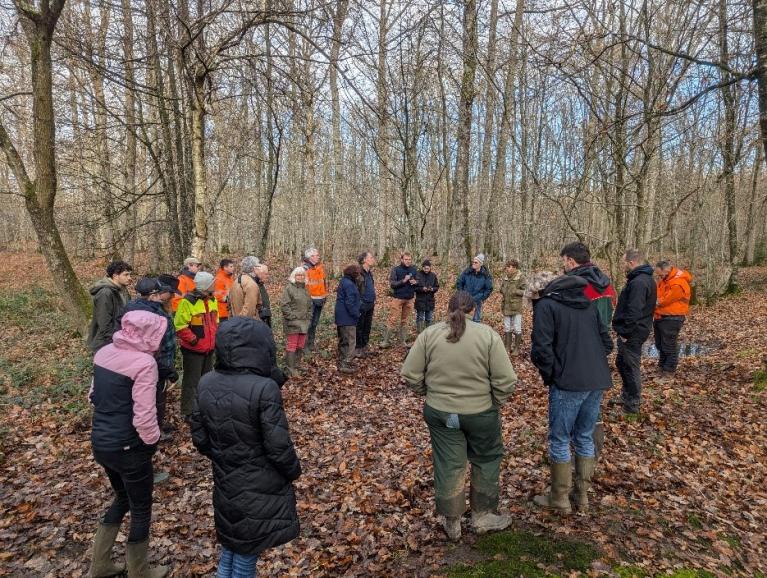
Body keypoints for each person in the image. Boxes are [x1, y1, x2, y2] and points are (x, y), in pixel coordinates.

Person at [401, 291, 517, 540]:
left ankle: (452, 520)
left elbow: (410, 374)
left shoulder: (429, 334)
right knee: (486, 459)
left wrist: (430, 394)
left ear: (448, 308)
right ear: (473, 309)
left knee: (448, 463)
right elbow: (506, 380)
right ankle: (483, 516)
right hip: (480, 413)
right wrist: (495, 401)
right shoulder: (487, 335)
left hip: (441, 414)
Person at [191, 317, 301, 578]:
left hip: (225, 478)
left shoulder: (206, 381)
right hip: (258, 483)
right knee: (245, 553)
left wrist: (223, 455)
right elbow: (278, 446)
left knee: (233, 543)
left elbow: (199, 436)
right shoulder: (264, 388)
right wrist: (293, 471)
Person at [87, 310, 169, 578]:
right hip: (129, 446)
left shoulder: (103, 353)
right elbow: (145, 414)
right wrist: (150, 443)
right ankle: (139, 571)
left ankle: (99, 564)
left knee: (122, 497)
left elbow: (93, 395)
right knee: (141, 507)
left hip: (101, 442)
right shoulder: (144, 363)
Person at [530, 274, 613, 514]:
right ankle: (581, 496)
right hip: (596, 379)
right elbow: (606, 342)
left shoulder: (546, 306)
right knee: (584, 436)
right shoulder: (588, 304)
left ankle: (560, 498)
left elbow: (541, 348)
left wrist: (553, 374)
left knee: (560, 438)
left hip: (569, 382)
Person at [560, 242, 617, 458]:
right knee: (594, 397)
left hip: (579, 348)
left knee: (577, 399)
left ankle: (582, 451)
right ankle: (592, 447)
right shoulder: (606, 283)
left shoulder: (577, 286)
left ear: (571, 261)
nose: (563, 265)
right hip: (600, 347)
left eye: (564, 261)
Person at [119, 278, 178, 441]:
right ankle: (155, 431)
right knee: (155, 396)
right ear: (152, 295)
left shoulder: (135, 308)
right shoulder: (152, 313)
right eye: (158, 293)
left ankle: (153, 425)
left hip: (150, 361)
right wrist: (166, 367)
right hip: (156, 362)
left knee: (152, 395)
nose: (161, 295)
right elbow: (159, 343)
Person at [612, 249, 657, 414]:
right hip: (633, 329)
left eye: (624, 262)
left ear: (631, 262)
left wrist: (625, 332)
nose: (623, 266)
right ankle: (626, 396)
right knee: (622, 363)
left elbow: (634, 311)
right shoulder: (640, 279)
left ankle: (633, 404)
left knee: (630, 366)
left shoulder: (639, 282)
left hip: (633, 332)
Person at [174, 271, 219, 421]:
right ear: (205, 286)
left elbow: (215, 322)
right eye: (212, 284)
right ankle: (188, 412)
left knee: (206, 381)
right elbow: (180, 325)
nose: (215, 286)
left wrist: (216, 338)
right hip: (193, 350)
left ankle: (203, 408)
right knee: (191, 382)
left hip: (209, 348)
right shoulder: (187, 302)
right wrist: (193, 340)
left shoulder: (212, 300)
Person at [654, 261, 693, 375]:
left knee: (668, 345)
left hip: (672, 317)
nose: (659, 277)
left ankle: (669, 371)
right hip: (661, 316)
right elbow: (657, 295)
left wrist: (651, 302)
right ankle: (662, 366)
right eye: (658, 275)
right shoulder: (664, 280)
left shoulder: (678, 283)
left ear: (666, 270)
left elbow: (664, 300)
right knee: (660, 344)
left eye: (660, 274)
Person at [86, 260, 132, 353]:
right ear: (115, 276)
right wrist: (118, 340)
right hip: (105, 344)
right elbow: (104, 324)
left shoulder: (123, 290)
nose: (129, 278)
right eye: (126, 275)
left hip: (119, 339)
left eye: (129, 275)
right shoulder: (105, 293)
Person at [280, 267, 313, 376]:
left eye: (302, 275)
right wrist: (292, 317)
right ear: (294, 276)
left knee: (300, 345)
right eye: (298, 275)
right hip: (292, 322)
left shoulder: (305, 289)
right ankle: (290, 368)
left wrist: (308, 317)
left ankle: (297, 364)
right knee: (292, 345)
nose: (301, 277)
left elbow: (309, 306)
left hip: (304, 322)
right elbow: (284, 305)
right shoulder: (289, 288)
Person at [381, 251, 418, 348]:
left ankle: (403, 342)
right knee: (392, 319)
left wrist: (415, 282)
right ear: (402, 259)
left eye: (409, 259)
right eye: (406, 259)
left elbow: (418, 281)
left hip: (409, 299)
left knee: (405, 320)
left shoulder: (414, 269)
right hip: (398, 298)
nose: (408, 261)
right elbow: (392, 284)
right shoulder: (396, 269)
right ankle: (386, 341)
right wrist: (403, 281)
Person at [335, 264, 362, 374]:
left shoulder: (344, 281)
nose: (359, 275)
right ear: (354, 274)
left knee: (343, 339)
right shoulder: (349, 284)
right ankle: (346, 362)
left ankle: (343, 360)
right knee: (351, 340)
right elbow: (350, 302)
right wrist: (356, 313)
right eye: (358, 273)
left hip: (341, 316)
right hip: (347, 317)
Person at [302, 247, 329, 351]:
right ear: (311, 257)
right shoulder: (304, 269)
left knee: (314, 323)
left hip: (320, 299)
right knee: (308, 323)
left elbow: (324, 282)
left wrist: (325, 295)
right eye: (317, 255)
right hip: (309, 301)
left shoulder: (320, 267)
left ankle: (311, 344)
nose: (318, 256)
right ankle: (304, 346)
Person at [499, 259, 525, 355]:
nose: (507, 268)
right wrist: (503, 290)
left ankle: (517, 348)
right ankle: (507, 346)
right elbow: (501, 288)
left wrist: (515, 291)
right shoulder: (505, 277)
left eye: (509, 267)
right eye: (507, 266)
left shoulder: (521, 277)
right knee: (507, 327)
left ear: (514, 268)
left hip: (516, 307)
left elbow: (525, 291)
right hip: (506, 305)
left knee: (517, 327)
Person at [456, 254, 493, 322]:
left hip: (477, 299)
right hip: (465, 298)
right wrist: (462, 293)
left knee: (477, 320)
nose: (474, 263)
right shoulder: (467, 272)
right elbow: (459, 282)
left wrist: (482, 297)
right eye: (473, 262)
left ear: (480, 264)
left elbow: (489, 288)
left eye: (476, 262)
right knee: (462, 318)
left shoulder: (486, 275)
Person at [355, 251, 377, 357]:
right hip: (362, 304)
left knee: (367, 326)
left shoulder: (369, 272)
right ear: (364, 260)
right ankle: (358, 348)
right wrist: (359, 302)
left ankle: (364, 346)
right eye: (371, 257)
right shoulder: (358, 273)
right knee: (359, 326)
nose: (373, 259)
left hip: (370, 303)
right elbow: (355, 289)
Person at [228, 256, 262, 321]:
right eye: (259, 267)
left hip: (236, 322)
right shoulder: (251, 284)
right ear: (254, 268)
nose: (260, 269)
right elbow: (249, 310)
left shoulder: (236, 281)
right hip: (245, 325)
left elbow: (230, 306)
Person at [414, 259, 440, 333]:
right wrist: (422, 289)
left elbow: (437, 286)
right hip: (420, 300)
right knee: (420, 318)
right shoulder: (417, 275)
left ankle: (428, 334)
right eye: (425, 268)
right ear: (422, 267)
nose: (426, 270)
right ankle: (420, 333)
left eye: (428, 268)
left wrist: (432, 289)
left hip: (430, 300)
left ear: (430, 268)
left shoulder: (433, 275)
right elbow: (414, 287)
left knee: (429, 318)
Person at [213, 259, 235, 323]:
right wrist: (231, 296)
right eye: (231, 266)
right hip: (222, 313)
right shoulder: (219, 279)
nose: (233, 268)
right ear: (225, 267)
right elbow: (218, 296)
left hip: (229, 311)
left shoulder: (230, 278)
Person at [255, 264, 272, 328]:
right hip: (259, 319)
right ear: (259, 274)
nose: (268, 276)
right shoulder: (254, 285)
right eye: (266, 274)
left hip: (266, 317)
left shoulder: (262, 285)